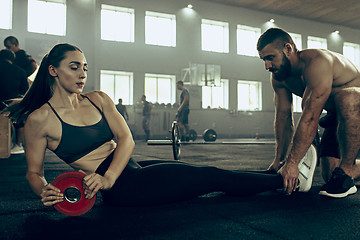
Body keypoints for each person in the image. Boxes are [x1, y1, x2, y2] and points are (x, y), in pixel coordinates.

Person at [3, 43, 317, 208]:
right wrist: (44, 190)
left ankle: (276, 177)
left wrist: (109, 175)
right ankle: (287, 182)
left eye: (85, 67)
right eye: (74, 67)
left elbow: (125, 140)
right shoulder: (39, 119)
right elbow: (33, 172)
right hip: (124, 190)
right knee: (207, 177)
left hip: (127, 170)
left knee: (204, 175)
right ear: (53, 71)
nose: (82, 73)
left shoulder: (98, 98)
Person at [257, 27, 360, 198]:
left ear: (288, 49)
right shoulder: (279, 77)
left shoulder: (318, 63)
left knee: (347, 97)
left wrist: (293, 163)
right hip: (337, 115)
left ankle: (347, 174)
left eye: (270, 58)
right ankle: (345, 170)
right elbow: (283, 118)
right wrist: (279, 160)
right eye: (263, 60)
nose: (267, 65)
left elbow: (311, 116)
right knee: (331, 174)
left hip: (355, 107)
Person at [0, 49, 29, 154]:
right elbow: (25, 91)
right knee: (20, 119)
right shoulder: (20, 71)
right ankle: (18, 145)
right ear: (12, 59)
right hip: (12, 104)